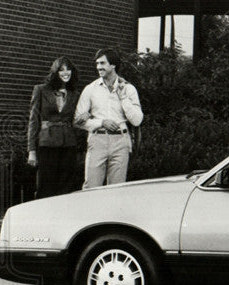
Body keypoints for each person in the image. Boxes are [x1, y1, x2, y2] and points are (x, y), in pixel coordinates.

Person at [74, 48, 143, 188]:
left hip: (121, 141)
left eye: (103, 63)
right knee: (91, 187)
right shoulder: (90, 89)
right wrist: (101, 123)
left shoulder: (128, 89)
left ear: (113, 65)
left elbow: (137, 120)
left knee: (116, 189)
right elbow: (77, 120)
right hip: (97, 140)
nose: (99, 67)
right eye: (97, 63)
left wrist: (123, 97)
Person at [27, 56, 82, 199]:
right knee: (45, 186)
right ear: (55, 72)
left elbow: (77, 119)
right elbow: (33, 121)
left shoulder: (75, 94)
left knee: (66, 187)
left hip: (68, 144)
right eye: (61, 70)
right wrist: (31, 150)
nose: (65, 73)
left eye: (68, 69)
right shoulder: (40, 90)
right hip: (46, 144)